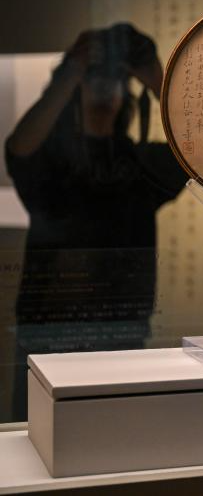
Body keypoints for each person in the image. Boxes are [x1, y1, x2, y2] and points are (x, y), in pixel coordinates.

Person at [5, 23, 187, 419]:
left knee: (116, 436)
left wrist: (157, 79)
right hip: (49, 331)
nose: (106, 85)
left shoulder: (139, 162)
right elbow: (19, 150)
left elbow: (201, 149)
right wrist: (71, 70)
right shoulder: (52, 159)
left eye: (115, 77)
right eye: (96, 76)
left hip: (121, 330)